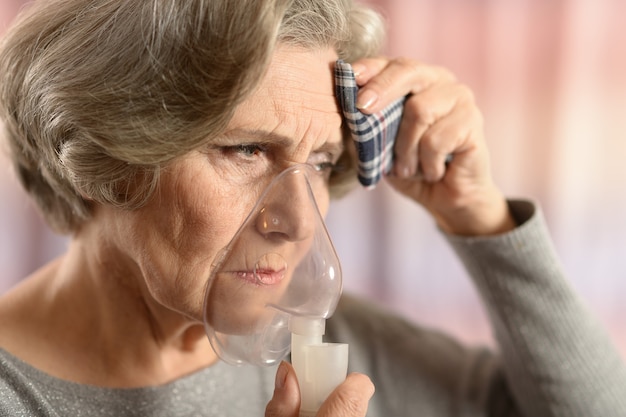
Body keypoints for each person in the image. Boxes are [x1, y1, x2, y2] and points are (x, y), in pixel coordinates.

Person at [0, 0, 624, 416]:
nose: (301, 221)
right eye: (245, 150)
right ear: (99, 156)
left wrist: (479, 215)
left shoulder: (328, 348)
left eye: (322, 163)